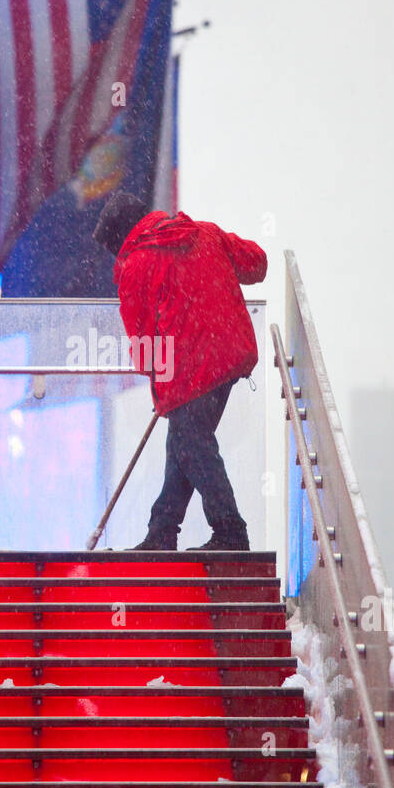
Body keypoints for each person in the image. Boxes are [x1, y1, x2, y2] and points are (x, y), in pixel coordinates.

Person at [92, 190, 267, 551]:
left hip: (195, 369)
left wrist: (161, 390)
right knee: (184, 441)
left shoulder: (136, 265)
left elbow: (145, 346)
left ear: (120, 238)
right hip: (232, 353)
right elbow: (257, 264)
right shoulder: (205, 232)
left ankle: (231, 531)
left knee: (192, 442)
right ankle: (162, 530)